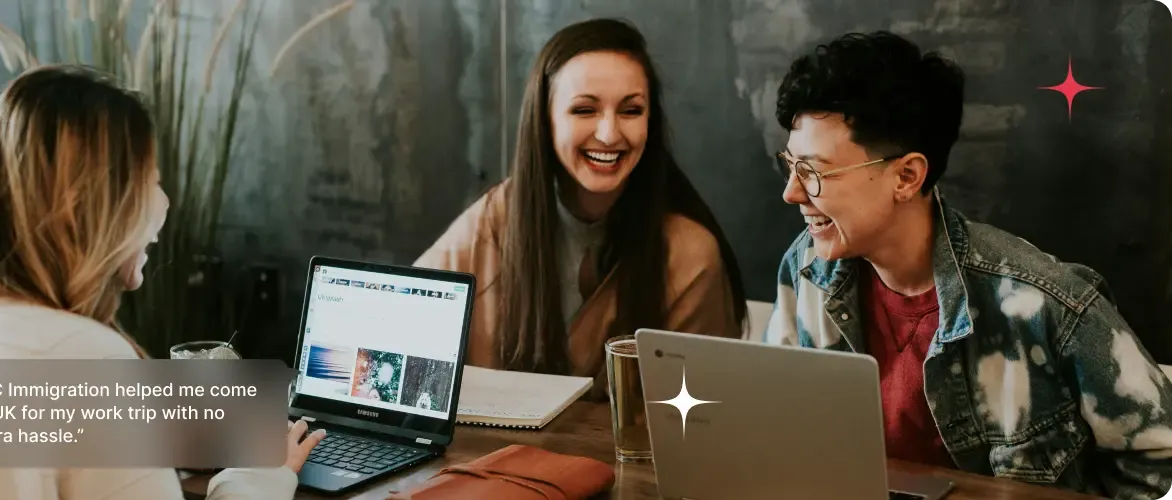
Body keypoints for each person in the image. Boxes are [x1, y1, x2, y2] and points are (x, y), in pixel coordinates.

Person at [759, 31, 1172, 497]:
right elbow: (777, 425)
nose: (791, 192)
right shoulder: (808, 266)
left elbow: (1161, 467)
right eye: (790, 165)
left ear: (907, 176)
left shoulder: (1046, 305)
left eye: (813, 172)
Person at [0, 65, 324, 499]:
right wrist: (260, 473)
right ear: (94, 205)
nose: (164, 204)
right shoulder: (84, 356)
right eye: (150, 183)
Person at [414, 18, 748, 390]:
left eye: (631, 110)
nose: (609, 134)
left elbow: (696, 421)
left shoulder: (689, 256)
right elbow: (401, 328)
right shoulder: (494, 219)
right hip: (494, 449)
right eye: (584, 110)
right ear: (545, 120)